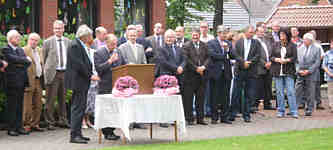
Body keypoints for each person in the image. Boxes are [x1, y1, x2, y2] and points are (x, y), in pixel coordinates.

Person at [65, 25, 100, 144]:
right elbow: (78, 64)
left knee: (80, 107)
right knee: (77, 108)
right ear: (84, 36)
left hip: (82, 81)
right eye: (90, 35)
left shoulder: (79, 44)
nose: (91, 38)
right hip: (78, 82)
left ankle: (78, 133)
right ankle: (74, 135)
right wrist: (90, 75)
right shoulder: (75, 45)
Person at [94, 34, 125, 140]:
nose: (115, 46)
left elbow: (123, 65)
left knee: (114, 109)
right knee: (106, 110)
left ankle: (111, 131)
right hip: (105, 85)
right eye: (112, 44)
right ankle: (106, 132)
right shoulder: (99, 53)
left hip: (117, 85)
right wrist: (110, 61)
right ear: (106, 43)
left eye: (116, 43)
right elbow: (99, 69)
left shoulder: (118, 51)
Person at [229, 25, 261, 123]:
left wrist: (249, 62)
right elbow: (235, 54)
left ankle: (246, 115)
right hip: (240, 70)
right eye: (250, 32)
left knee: (248, 94)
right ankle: (232, 113)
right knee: (236, 93)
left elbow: (258, 55)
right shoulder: (238, 42)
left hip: (251, 71)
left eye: (253, 32)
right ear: (245, 32)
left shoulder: (256, 43)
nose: (252, 34)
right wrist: (243, 62)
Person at [43, 20, 71, 130]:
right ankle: (49, 122)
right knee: (50, 99)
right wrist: (47, 73)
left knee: (63, 99)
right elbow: (44, 59)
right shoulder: (47, 42)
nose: (58, 30)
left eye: (60, 28)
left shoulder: (68, 42)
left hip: (65, 73)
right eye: (56, 28)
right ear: (53, 29)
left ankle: (63, 120)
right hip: (53, 74)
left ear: (63, 29)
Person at [3, 29, 31, 136]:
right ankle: (11, 128)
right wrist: (22, 61)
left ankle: (19, 127)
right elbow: (13, 59)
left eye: (19, 37)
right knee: (12, 106)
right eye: (17, 37)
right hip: (11, 82)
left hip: (22, 81)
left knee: (20, 105)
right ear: (10, 39)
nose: (19, 39)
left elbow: (27, 63)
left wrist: (20, 62)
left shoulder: (20, 49)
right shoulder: (6, 49)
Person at [155, 29, 185, 127]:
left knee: (174, 99)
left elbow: (185, 59)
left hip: (177, 76)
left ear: (175, 38)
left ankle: (173, 118)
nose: (169, 39)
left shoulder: (179, 49)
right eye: (167, 37)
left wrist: (181, 67)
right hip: (165, 77)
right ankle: (163, 120)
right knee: (165, 100)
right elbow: (163, 62)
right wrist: (177, 68)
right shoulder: (161, 49)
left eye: (171, 37)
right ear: (164, 38)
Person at [118, 28, 147, 129]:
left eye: (134, 35)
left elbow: (144, 61)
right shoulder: (122, 47)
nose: (133, 37)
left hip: (138, 78)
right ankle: (129, 122)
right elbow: (121, 63)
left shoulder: (140, 47)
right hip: (127, 79)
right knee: (128, 101)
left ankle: (137, 121)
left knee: (138, 100)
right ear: (127, 35)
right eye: (131, 35)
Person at [182, 29, 209, 126]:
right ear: (191, 36)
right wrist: (196, 68)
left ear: (199, 35)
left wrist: (203, 67)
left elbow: (208, 58)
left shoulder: (204, 45)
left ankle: (200, 118)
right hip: (190, 76)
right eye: (193, 35)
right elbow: (186, 59)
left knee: (200, 99)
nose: (195, 37)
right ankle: (189, 119)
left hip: (202, 76)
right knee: (188, 99)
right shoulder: (186, 46)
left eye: (197, 35)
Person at [207, 25, 233, 124]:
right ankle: (214, 117)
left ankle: (224, 117)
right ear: (218, 33)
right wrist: (224, 54)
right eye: (223, 33)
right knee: (214, 96)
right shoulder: (211, 43)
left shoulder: (228, 43)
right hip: (215, 73)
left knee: (225, 96)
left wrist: (228, 50)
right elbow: (213, 55)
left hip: (226, 73)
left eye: (226, 33)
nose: (225, 35)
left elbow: (233, 55)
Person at [271, 29, 298, 118]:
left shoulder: (293, 45)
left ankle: (293, 111)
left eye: (283, 34)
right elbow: (271, 56)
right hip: (277, 71)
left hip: (289, 71)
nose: (281, 35)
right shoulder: (275, 44)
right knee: (279, 92)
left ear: (287, 35)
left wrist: (287, 60)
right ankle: (281, 111)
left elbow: (294, 58)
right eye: (280, 34)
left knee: (290, 91)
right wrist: (277, 59)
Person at [22, 33, 46, 132]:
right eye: (32, 39)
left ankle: (35, 123)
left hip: (38, 80)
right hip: (28, 80)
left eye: (36, 40)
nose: (34, 42)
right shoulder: (24, 50)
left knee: (38, 104)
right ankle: (26, 124)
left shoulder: (40, 50)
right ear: (28, 40)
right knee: (27, 105)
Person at [295, 33, 321, 117]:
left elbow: (317, 62)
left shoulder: (317, 49)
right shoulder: (300, 48)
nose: (304, 41)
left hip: (311, 73)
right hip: (300, 73)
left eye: (305, 40)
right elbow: (296, 61)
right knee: (297, 90)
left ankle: (309, 109)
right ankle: (294, 108)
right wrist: (298, 70)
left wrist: (309, 71)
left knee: (310, 91)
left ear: (310, 41)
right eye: (303, 39)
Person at [254, 26, 274, 110]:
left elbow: (270, 51)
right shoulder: (254, 41)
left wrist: (270, 62)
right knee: (258, 86)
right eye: (261, 32)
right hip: (259, 67)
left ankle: (267, 104)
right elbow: (256, 55)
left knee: (268, 86)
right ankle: (255, 104)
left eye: (263, 32)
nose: (262, 33)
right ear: (256, 32)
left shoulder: (266, 40)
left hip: (269, 67)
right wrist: (264, 63)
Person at [309, 30, 326, 110]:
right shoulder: (305, 45)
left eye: (313, 35)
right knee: (306, 86)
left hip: (316, 69)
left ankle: (318, 103)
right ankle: (306, 103)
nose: (312, 36)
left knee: (317, 86)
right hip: (307, 68)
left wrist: (315, 61)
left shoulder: (318, 45)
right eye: (311, 35)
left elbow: (322, 55)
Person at [322, 39, 333, 113]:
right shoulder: (327, 54)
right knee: (331, 92)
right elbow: (324, 65)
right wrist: (329, 73)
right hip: (330, 76)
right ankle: (332, 106)